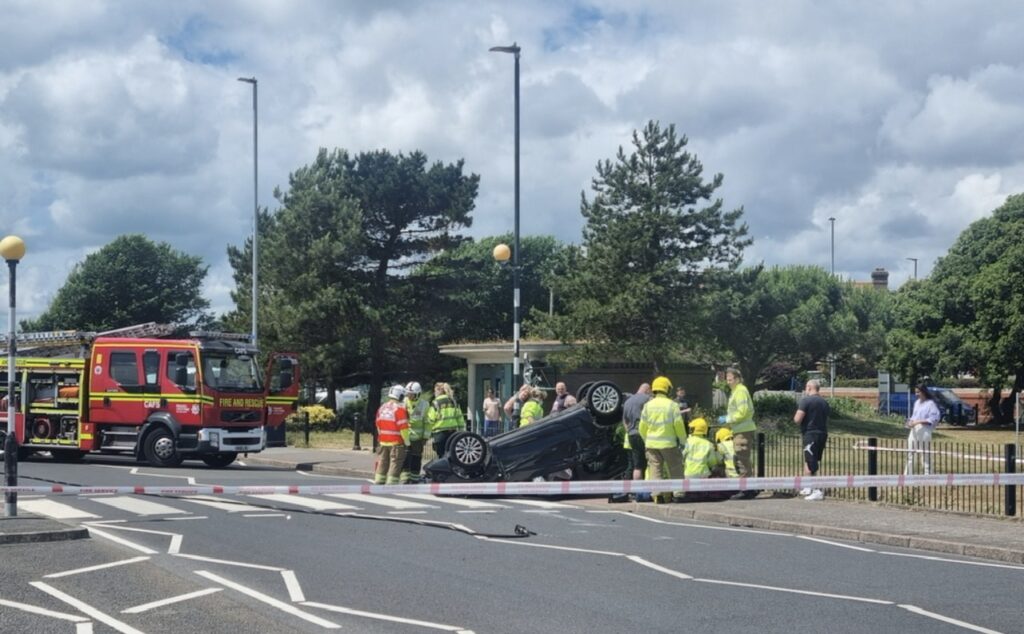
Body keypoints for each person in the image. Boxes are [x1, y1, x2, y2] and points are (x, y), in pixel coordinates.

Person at [639, 376, 687, 504]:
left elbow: (642, 427)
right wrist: (683, 441)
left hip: (651, 444)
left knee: (655, 469)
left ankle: (657, 495)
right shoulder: (672, 405)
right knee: (675, 468)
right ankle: (678, 495)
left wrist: (646, 440)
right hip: (669, 444)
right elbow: (679, 425)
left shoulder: (648, 406)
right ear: (667, 389)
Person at [717, 368, 758, 499]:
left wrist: (727, 419)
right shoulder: (737, 391)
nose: (728, 382)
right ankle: (746, 487)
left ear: (738, 379)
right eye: (727, 380)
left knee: (742, 459)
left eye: (730, 379)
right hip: (740, 429)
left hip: (743, 430)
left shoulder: (740, 391)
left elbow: (742, 412)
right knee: (741, 458)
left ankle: (746, 490)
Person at [794, 379, 830, 501]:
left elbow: (797, 419)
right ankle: (808, 486)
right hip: (822, 433)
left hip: (810, 433)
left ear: (809, 387)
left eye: (806, 387)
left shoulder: (806, 401)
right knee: (810, 459)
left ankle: (817, 490)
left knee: (811, 461)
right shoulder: (824, 402)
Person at [621, 383, 653, 501]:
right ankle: (646, 492)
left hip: (631, 435)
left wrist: (629, 431)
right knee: (650, 463)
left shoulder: (628, 401)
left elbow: (624, 420)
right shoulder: (647, 399)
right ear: (647, 390)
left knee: (637, 465)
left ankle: (636, 492)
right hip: (643, 435)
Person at [373, 385, 409, 485]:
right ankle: (392, 483)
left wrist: (381, 438)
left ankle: (379, 480)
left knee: (383, 462)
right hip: (396, 442)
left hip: (383, 441)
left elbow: (378, 425)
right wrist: (407, 441)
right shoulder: (399, 409)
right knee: (395, 463)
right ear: (400, 396)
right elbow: (403, 428)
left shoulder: (382, 408)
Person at [681, 417, 720, 500]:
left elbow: (682, 456)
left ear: (693, 429)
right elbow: (712, 462)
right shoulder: (708, 444)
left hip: (688, 474)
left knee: (690, 494)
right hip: (703, 474)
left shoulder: (688, 441)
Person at [904, 384, 940, 475]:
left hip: (924, 429)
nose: (916, 394)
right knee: (910, 452)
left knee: (925, 453)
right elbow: (913, 416)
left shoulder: (930, 403)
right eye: (915, 392)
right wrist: (910, 422)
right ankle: (908, 475)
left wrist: (919, 421)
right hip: (914, 429)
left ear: (923, 392)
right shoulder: (916, 403)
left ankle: (928, 475)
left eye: (918, 392)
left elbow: (934, 418)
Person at [400, 382, 431, 484]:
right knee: (405, 457)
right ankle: (404, 479)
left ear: (418, 394)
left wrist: (425, 437)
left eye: (411, 394)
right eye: (408, 394)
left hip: (418, 438)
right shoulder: (404, 402)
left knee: (416, 458)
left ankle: (414, 479)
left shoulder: (424, 405)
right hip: (406, 436)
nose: (409, 396)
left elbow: (427, 422)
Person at [429, 382, 464, 458]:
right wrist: (461, 430)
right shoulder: (453, 401)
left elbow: (431, 419)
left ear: (439, 390)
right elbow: (460, 417)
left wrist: (428, 432)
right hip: (453, 432)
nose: (434, 393)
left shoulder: (436, 403)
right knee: (452, 455)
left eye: (435, 391)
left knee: (441, 456)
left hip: (439, 433)